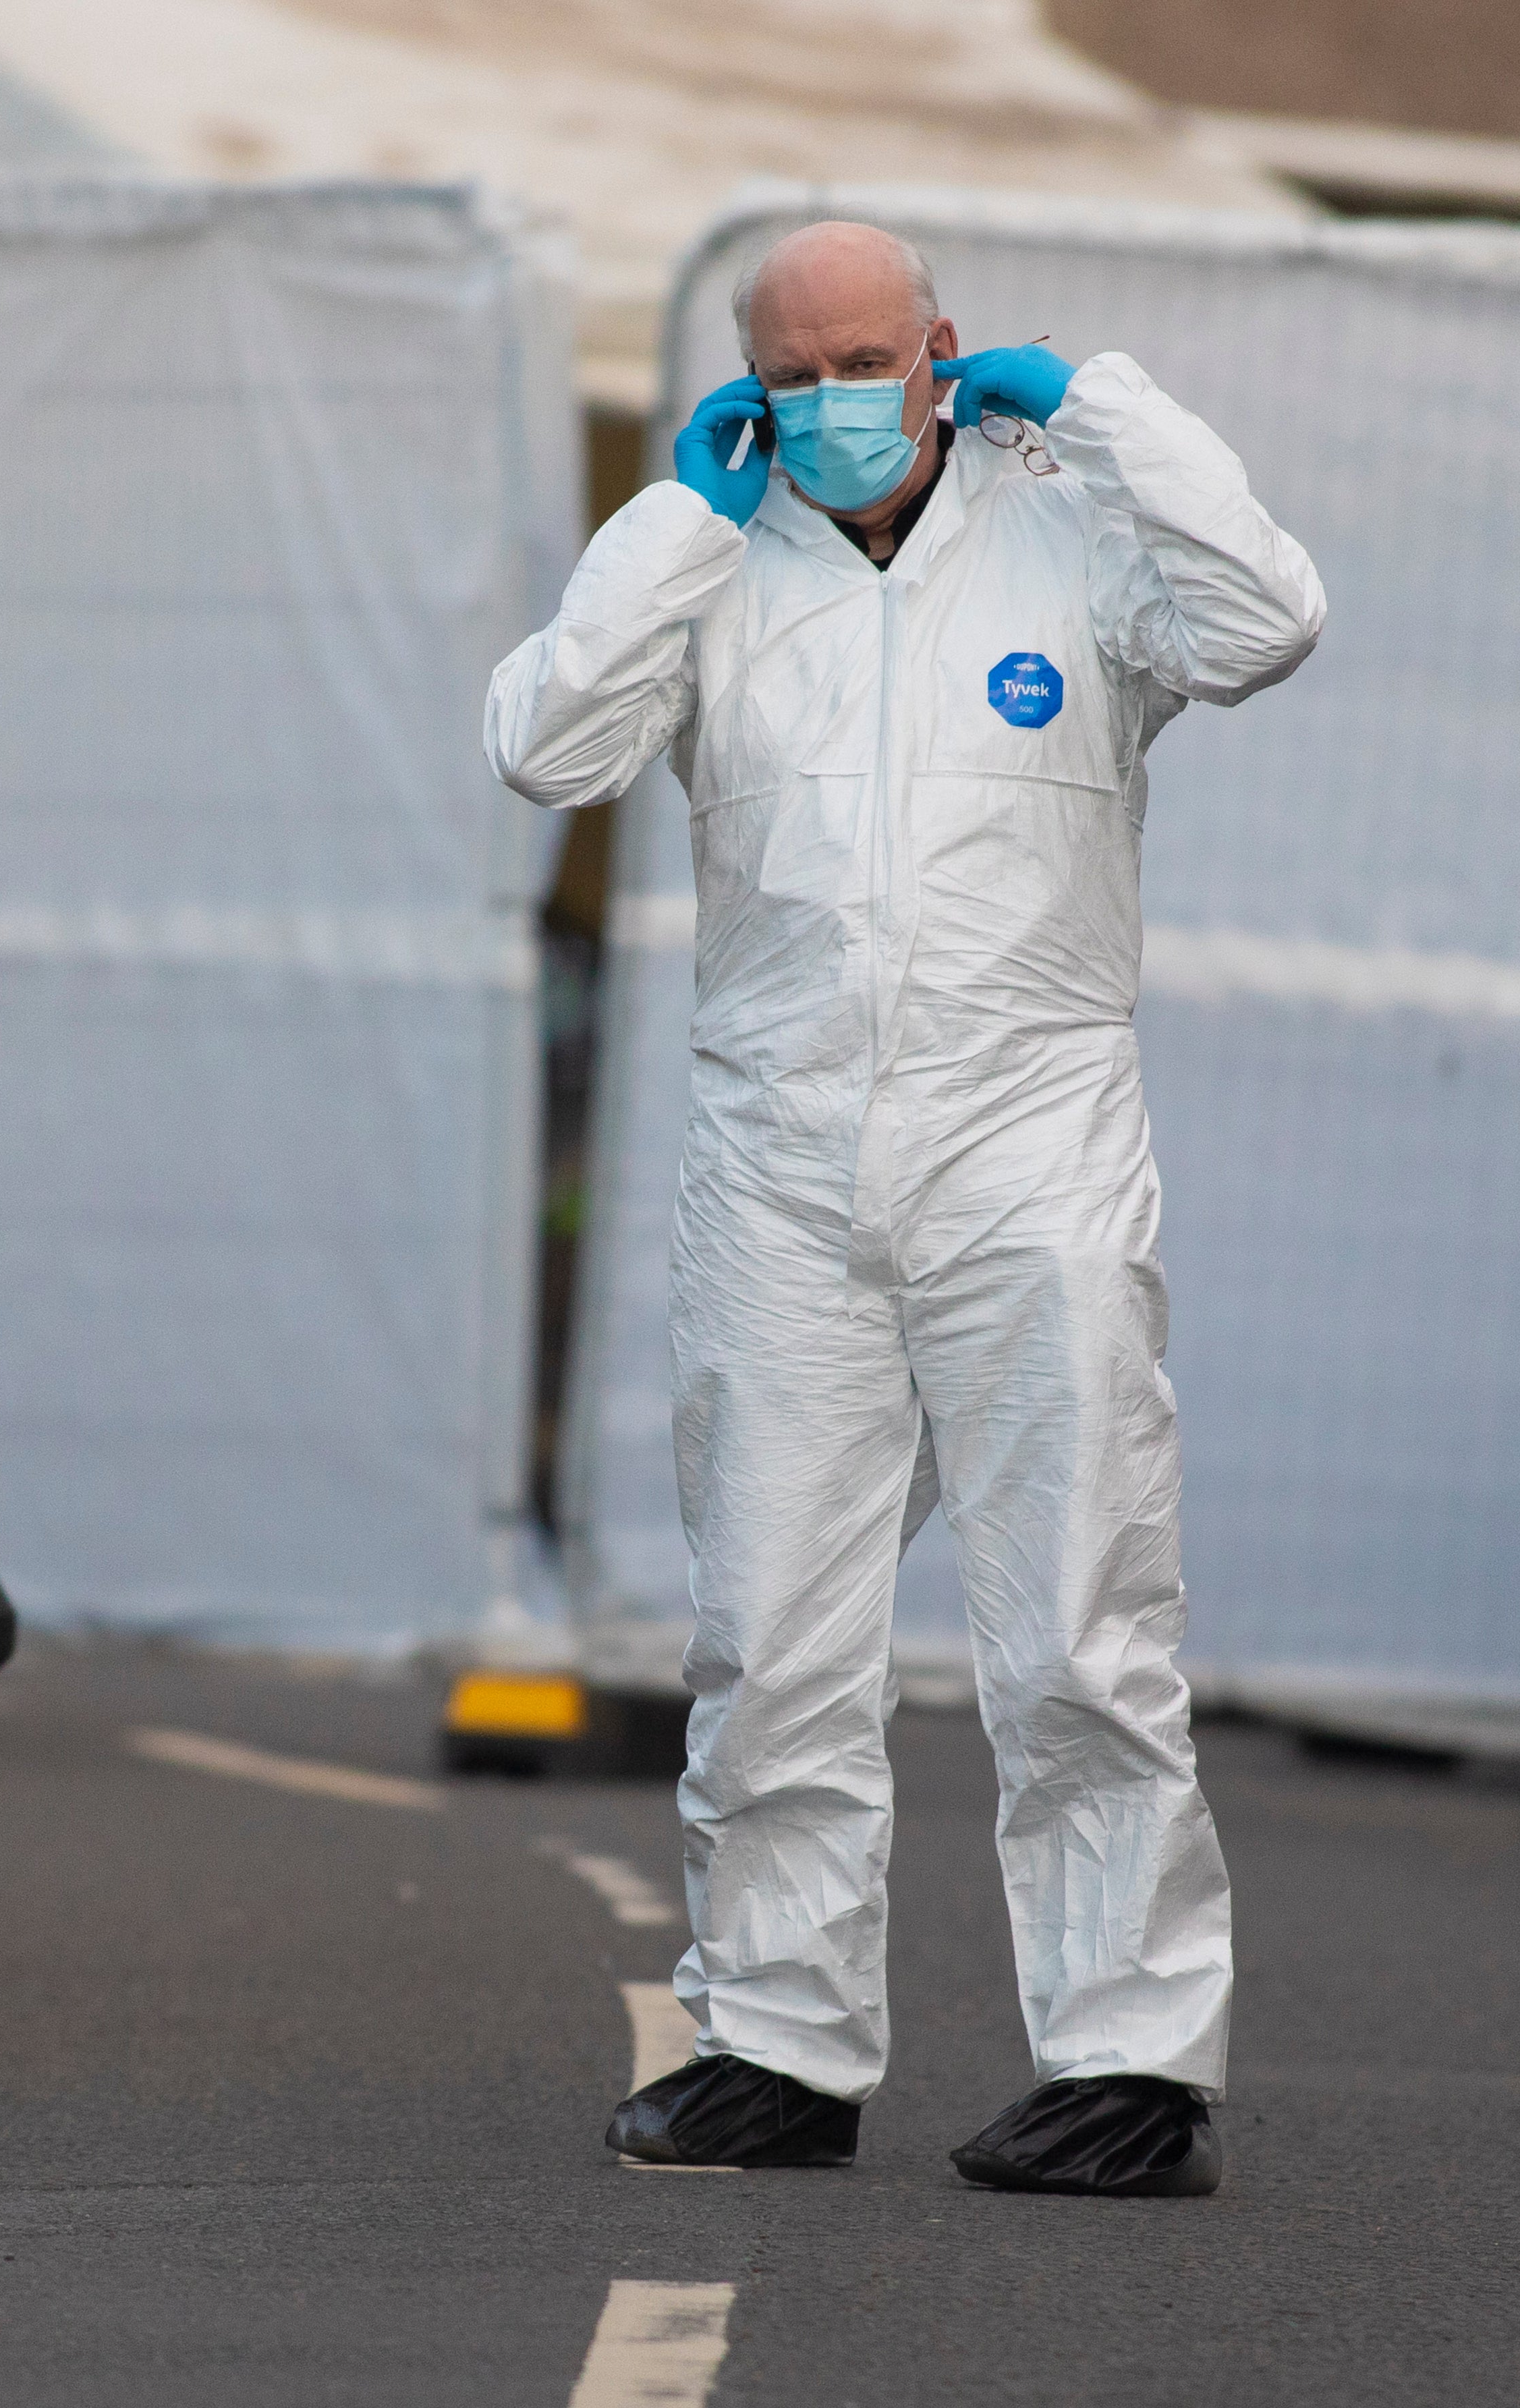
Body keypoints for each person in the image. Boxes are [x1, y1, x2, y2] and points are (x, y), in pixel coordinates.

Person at [484, 221, 1324, 2195]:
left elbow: (1269, 616)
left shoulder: (1073, 533)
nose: (845, 400)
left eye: (880, 358)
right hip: (779, 1166)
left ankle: (1130, 2058)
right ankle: (776, 2041)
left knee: (1081, 1629)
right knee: (771, 1631)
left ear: (950, 354)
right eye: (802, 373)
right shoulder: (722, 564)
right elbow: (542, 745)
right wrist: (667, 530)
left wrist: (1103, 407)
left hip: (1028, 1149)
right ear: (750, 389)